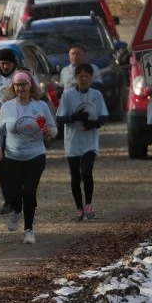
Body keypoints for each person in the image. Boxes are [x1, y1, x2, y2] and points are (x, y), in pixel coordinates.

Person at [0, 70, 57, 245]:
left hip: (35, 155)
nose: (20, 88)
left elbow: (54, 129)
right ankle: (17, 210)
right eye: (17, 84)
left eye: (23, 84)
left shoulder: (40, 106)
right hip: (12, 156)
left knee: (28, 191)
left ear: (30, 85)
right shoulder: (7, 107)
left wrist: (49, 131)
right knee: (12, 193)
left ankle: (28, 230)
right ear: (13, 87)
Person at [56, 63, 109, 221]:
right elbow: (60, 118)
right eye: (81, 76)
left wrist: (93, 123)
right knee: (75, 176)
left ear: (91, 78)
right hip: (73, 141)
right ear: (76, 77)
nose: (84, 79)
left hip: (90, 142)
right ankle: (79, 208)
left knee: (86, 172)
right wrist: (75, 117)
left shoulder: (96, 95)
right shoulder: (68, 95)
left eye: (87, 76)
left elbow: (104, 116)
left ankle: (88, 204)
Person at [0, 48, 29, 217]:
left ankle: (20, 194)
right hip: (1, 123)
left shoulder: (20, 76)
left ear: (13, 63)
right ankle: (7, 199)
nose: (4, 66)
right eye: (2, 63)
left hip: (19, 123)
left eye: (8, 63)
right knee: (2, 163)